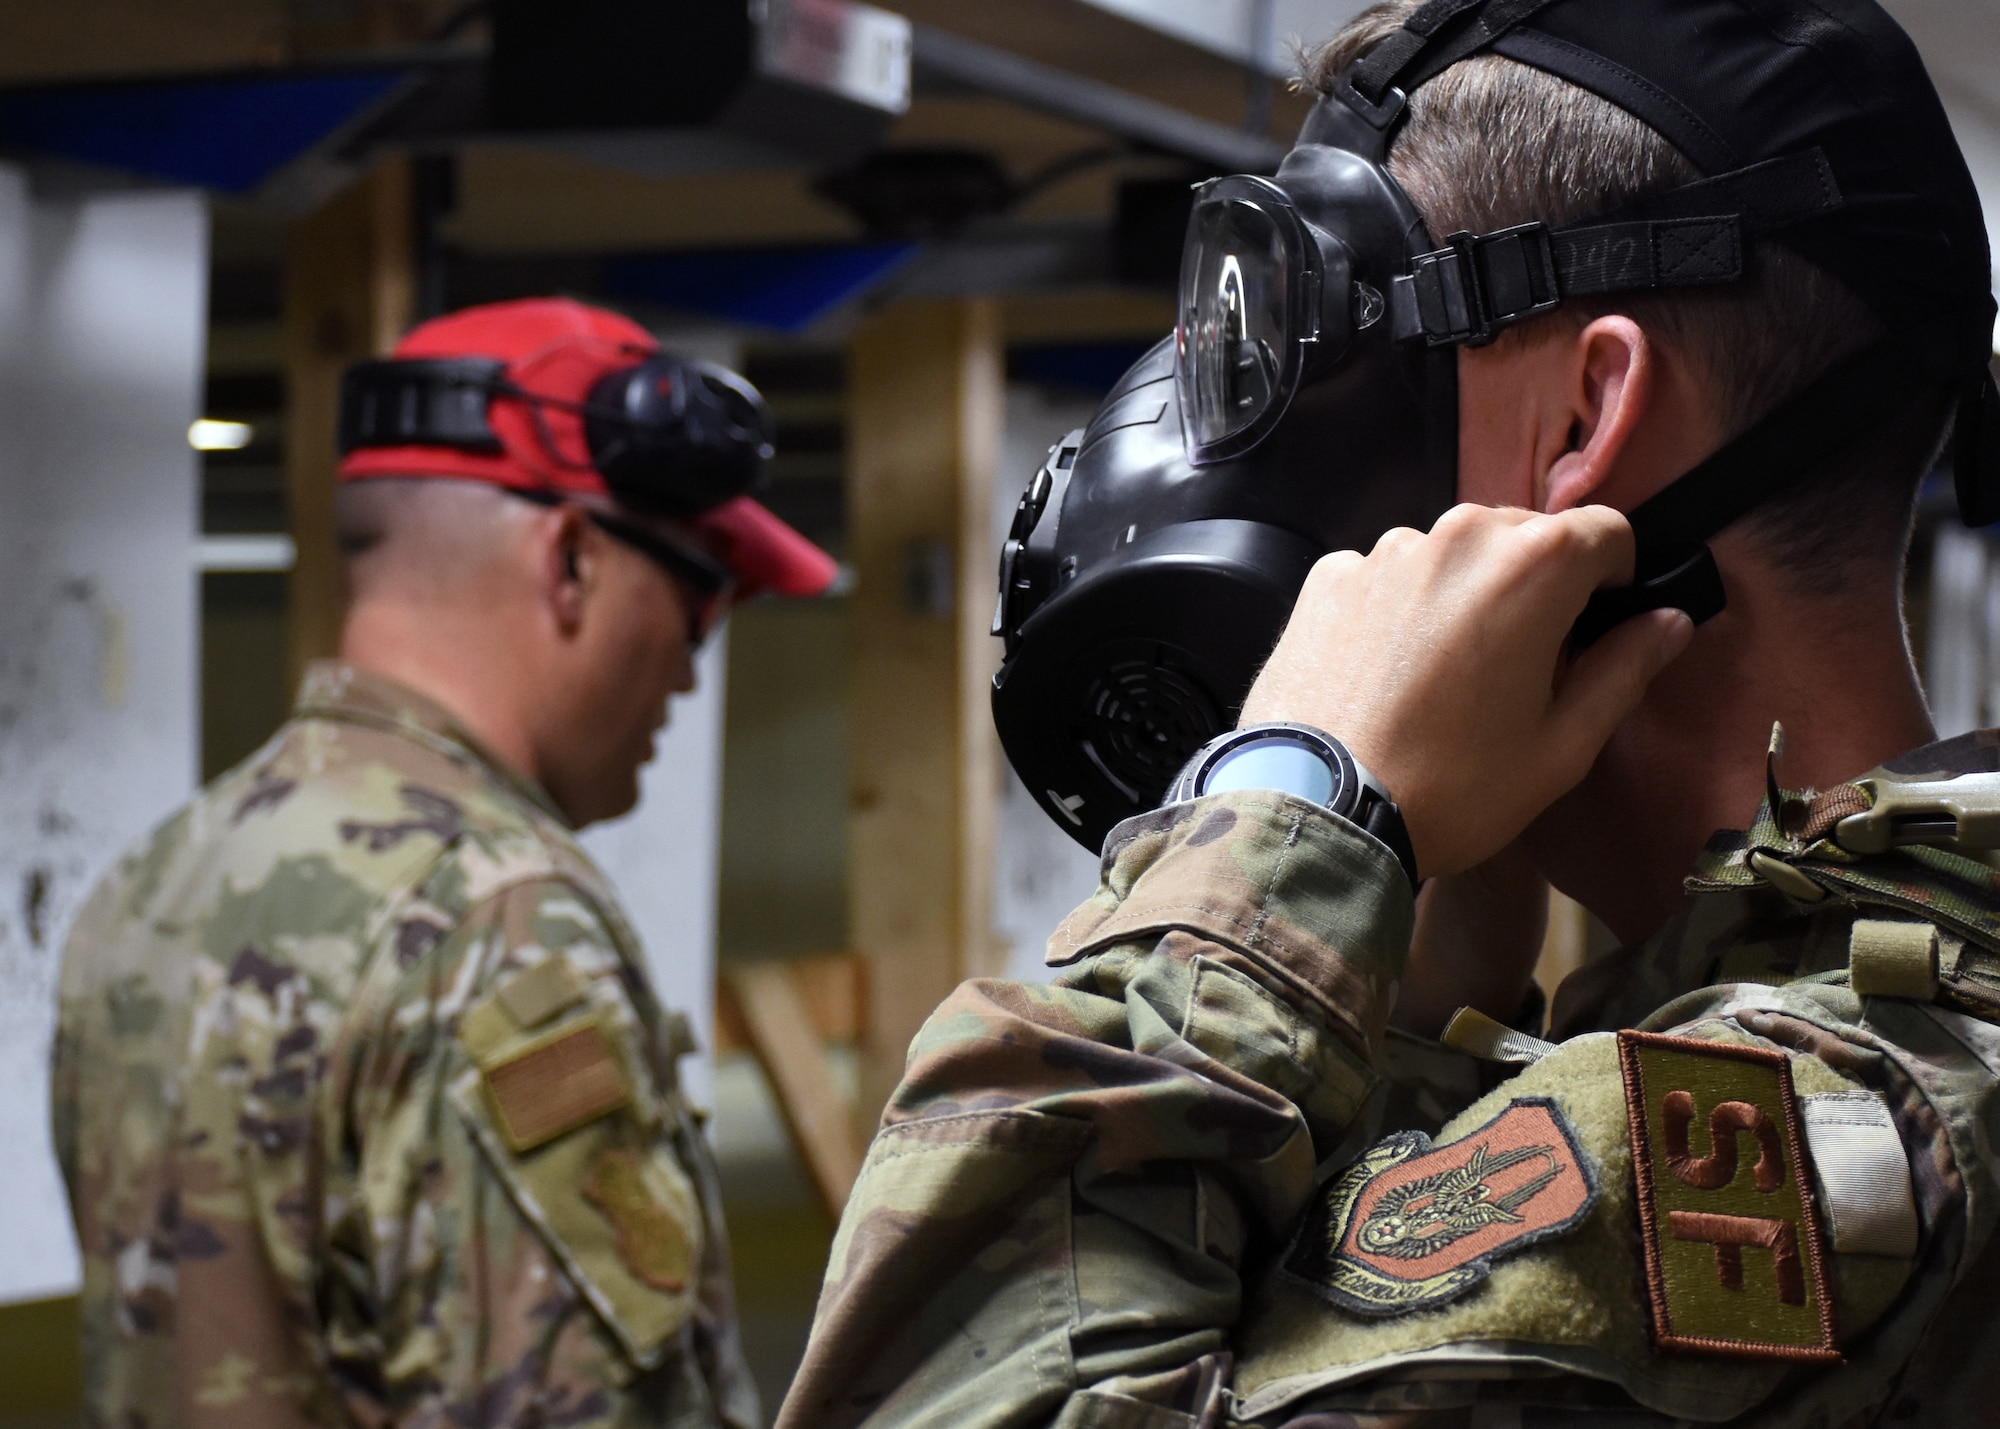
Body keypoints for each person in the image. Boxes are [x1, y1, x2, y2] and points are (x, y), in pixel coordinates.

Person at [779, 1, 2000, 1425]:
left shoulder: (1798, 1122)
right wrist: (1412, 1011)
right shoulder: (1820, 1005)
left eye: (1334, 347)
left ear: (1579, 422)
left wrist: (1290, 832)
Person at [51, 297, 836, 1428]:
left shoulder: (150, 882)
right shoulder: (497, 917)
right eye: (697, 603)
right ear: (571, 560)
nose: (685, 674)